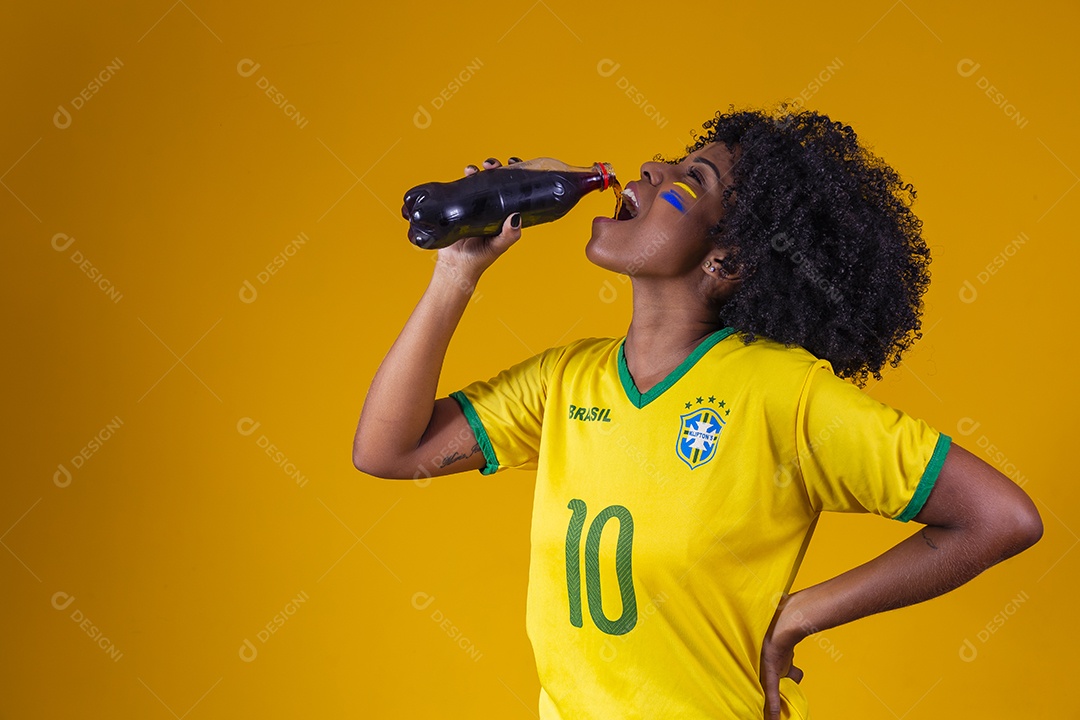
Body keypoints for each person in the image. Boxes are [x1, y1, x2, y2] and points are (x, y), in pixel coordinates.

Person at [352, 102, 1043, 719]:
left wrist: (795, 617)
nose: (650, 167)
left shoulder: (783, 393)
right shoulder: (565, 381)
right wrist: (457, 270)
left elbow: (1000, 518)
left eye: (691, 179)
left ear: (726, 260)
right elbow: (390, 451)